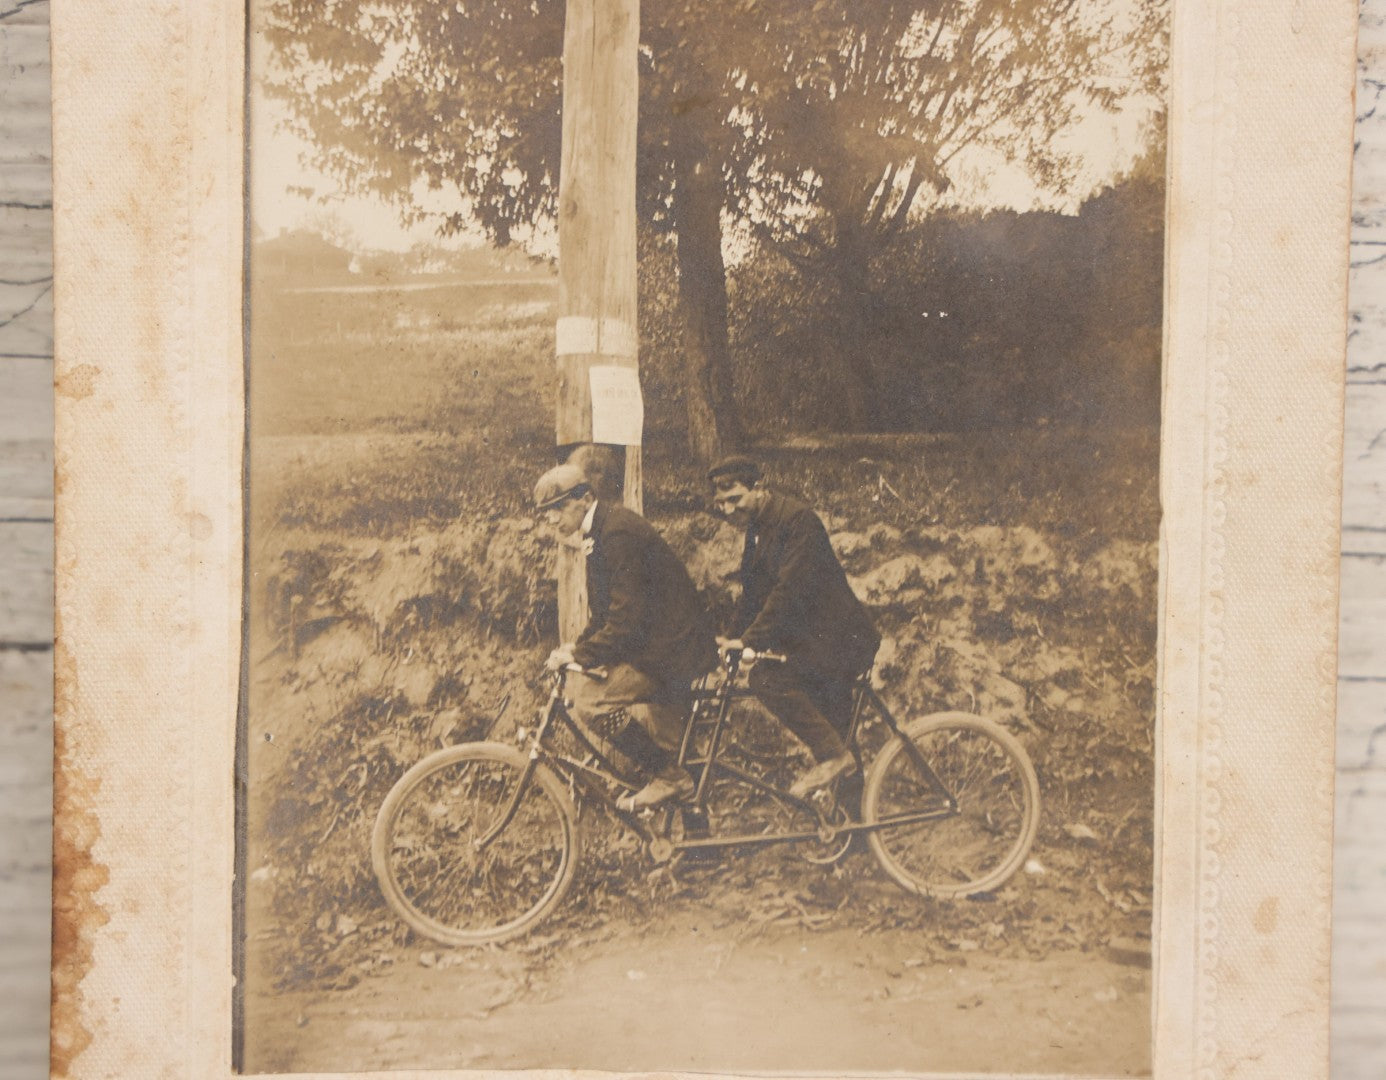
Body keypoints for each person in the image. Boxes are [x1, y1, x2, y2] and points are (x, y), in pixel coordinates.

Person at [534, 461, 718, 810]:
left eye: (557, 508)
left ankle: (666, 777)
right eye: (547, 514)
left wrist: (582, 656)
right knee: (673, 746)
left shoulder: (616, 533)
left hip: (672, 651)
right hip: (662, 647)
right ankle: (698, 848)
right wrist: (578, 646)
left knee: (592, 703)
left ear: (585, 498)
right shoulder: (599, 532)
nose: (553, 520)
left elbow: (626, 618)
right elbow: (606, 611)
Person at [708, 455, 880, 799]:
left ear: (760, 488)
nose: (728, 510)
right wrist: (732, 638)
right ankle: (854, 832)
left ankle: (835, 761)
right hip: (814, 643)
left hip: (841, 641)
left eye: (735, 499)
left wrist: (751, 641)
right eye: (721, 503)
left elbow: (789, 591)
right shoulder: (759, 526)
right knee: (836, 728)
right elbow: (754, 592)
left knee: (767, 679)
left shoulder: (799, 521)